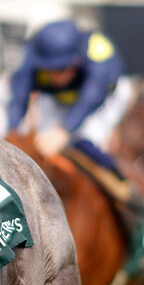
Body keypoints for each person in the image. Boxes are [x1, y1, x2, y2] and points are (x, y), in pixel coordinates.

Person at [8, 19, 133, 174]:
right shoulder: (32, 54)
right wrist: (11, 133)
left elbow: (92, 96)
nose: (56, 76)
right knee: (41, 143)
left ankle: (124, 188)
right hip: (60, 97)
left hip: (107, 95)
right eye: (50, 69)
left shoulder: (98, 48)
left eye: (62, 68)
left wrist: (63, 130)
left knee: (86, 141)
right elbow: (18, 99)